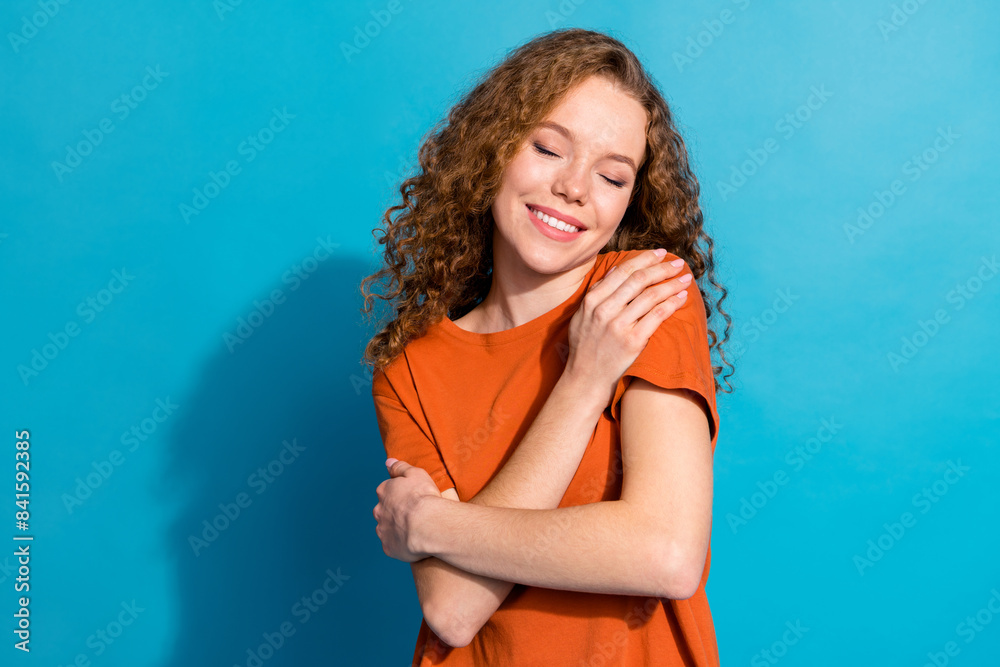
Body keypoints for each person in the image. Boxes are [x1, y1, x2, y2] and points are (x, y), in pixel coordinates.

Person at [361, 27, 734, 667]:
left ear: (630, 201)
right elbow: (453, 608)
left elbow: (666, 553)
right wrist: (585, 382)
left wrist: (428, 526)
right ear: (493, 150)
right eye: (548, 148)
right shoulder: (410, 371)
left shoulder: (641, 297)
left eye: (612, 176)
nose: (575, 188)